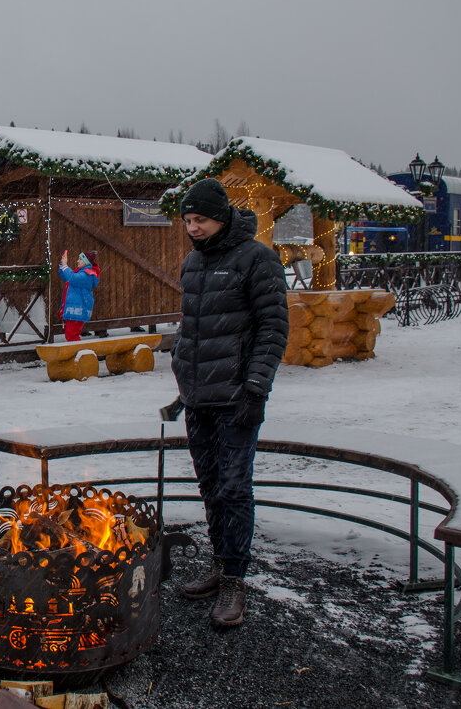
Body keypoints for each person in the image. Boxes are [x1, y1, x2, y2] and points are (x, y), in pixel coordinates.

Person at [170, 178, 288, 628]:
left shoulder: (258, 260)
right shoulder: (192, 263)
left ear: (220, 216)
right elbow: (191, 327)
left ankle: (235, 580)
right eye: (187, 220)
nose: (192, 227)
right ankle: (219, 564)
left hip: (237, 398)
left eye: (199, 219)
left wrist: (256, 388)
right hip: (198, 398)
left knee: (234, 489)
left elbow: (273, 329)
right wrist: (183, 370)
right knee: (210, 486)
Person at [58, 250, 100, 341]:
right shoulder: (81, 272)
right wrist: (62, 265)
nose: (77, 261)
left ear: (86, 262)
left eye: (80, 259)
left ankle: (80, 353)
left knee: (71, 335)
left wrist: (65, 265)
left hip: (78, 310)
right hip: (75, 310)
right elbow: (66, 276)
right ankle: (78, 353)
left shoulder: (88, 274)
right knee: (71, 335)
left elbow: (72, 278)